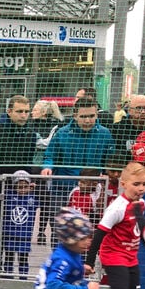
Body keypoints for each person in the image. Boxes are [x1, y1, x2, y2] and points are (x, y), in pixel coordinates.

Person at [71, 161, 145, 289]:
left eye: (144, 184)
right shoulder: (117, 207)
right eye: (136, 184)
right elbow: (99, 234)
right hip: (113, 254)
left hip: (130, 255)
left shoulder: (142, 203)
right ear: (123, 184)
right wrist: (89, 262)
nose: (141, 188)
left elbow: (137, 227)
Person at [40, 96, 115, 241]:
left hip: (92, 191)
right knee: (61, 231)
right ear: (75, 116)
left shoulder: (105, 134)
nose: (88, 121)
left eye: (91, 116)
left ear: (97, 114)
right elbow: (50, 155)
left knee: (90, 233)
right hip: (63, 188)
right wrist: (47, 167)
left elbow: (109, 160)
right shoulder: (62, 133)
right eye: (83, 116)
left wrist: (107, 175)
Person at [0, 95, 40, 178]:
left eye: (26, 111)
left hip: (19, 185)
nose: (23, 115)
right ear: (9, 111)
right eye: (20, 111)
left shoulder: (31, 135)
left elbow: (27, 163)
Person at [0, 173, 38, 279]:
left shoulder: (32, 198)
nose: (22, 190)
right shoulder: (9, 196)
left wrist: (35, 188)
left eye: (25, 187)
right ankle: (8, 276)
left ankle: (23, 277)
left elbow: (43, 196)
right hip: (9, 234)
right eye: (19, 187)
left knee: (23, 259)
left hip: (25, 236)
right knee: (9, 257)